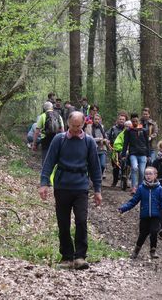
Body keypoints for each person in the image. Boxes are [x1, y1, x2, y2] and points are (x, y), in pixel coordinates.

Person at [38, 111, 102, 270]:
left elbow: (95, 167)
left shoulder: (89, 142)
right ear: (68, 124)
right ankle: (66, 256)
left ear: (83, 125)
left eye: (78, 126)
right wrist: (44, 183)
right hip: (62, 186)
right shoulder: (59, 140)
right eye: (72, 126)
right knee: (63, 223)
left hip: (81, 186)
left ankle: (80, 256)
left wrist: (98, 190)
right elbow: (49, 162)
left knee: (81, 220)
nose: (75, 129)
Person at [118, 166, 162, 260]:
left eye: (150, 174)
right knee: (143, 234)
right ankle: (136, 251)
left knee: (154, 232)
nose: (148, 176)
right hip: (144, 216)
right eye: (146, 174)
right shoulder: (142, 188)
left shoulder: (159, 189)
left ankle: (153, 251)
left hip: (155, 215)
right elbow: (133, 201)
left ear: (155, 175)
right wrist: (123, 208)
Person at [121, 113, 150, 193]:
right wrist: (123, 154)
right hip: (133, 153)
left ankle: (140, 187)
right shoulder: (128, 131)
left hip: (143, 153)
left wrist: (148, 154)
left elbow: (147, 143)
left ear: (138, 121)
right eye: (133, 121)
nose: (135, 123)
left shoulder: (143, 130)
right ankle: (134, 187)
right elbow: (125, 143)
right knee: (134, 168)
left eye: (136, 121)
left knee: (141, 171)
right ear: (131, 121)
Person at [107, 112, 128, 187]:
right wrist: (107, 141)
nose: (121, 120)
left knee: (125, 165)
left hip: (125, 150)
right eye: (120, 119)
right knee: (115, 166)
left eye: (123, 119)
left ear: (125, 120)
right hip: (115, 150)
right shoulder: (113, 128)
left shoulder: (128, 129)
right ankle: (115, 181)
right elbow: (107, 136)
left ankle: (124, 181)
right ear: (117, 120)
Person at [88, 113, 109, 178]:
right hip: (93, 149)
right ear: (93, 119)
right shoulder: (89, 127)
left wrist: (106, 140)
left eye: (98, 119)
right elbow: (89, 138)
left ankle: (98, 177)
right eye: (95, 119)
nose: (97, 120)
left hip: (102, 149)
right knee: (94, 165)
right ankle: (94, 178)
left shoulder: (102, 127)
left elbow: (105, 136)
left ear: (100, 120)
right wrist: (99, 139)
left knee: (102, 165)